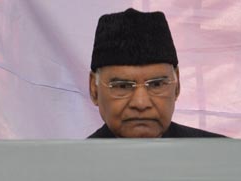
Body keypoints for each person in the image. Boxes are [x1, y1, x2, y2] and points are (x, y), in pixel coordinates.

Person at [88, 8, 226, 139]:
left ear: (177, 86)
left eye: (156, 84)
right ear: (94, 90)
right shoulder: (72, 162)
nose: (141, 103)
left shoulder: (224, 156)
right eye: (122, 86)